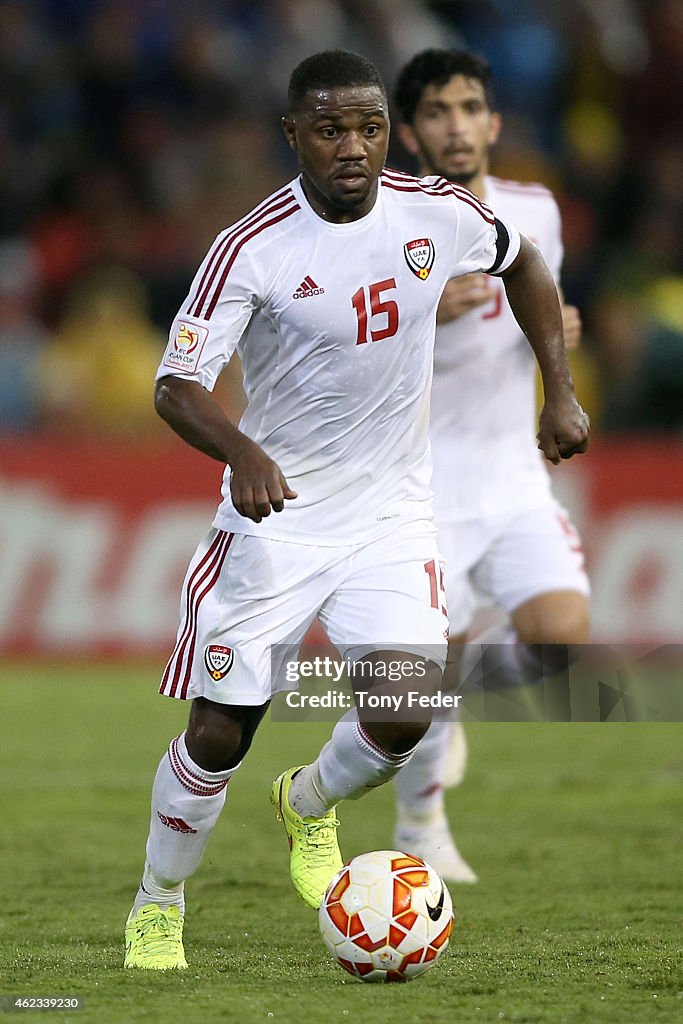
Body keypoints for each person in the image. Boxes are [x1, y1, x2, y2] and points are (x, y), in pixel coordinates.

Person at [123, 49, 589, 971]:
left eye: (369, 127)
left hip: (389, 515)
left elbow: (525, 261)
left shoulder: (436, 212)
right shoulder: (251, 247)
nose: (352, 146)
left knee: (407, 707)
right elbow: (176, 385)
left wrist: (559, 390)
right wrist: (244, 451)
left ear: (388, 131)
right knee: (218, 734)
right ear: (292, 133)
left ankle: (304, 802)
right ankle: (158, 901)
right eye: (330, 128)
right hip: (276, 521)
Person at [390, 49, 591, 883]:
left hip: (509, 471)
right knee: (417, 675)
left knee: (560, 643)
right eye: (436, 111)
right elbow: (337, 350)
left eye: (469, 107)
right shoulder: (384, 227)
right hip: (416, 485)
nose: (456, 124)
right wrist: (419, 312)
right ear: (409, 132)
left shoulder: (533, 213)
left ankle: (452, 700)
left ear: (494, 123)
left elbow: (541, 310)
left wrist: (557, 344)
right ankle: (419, 824)